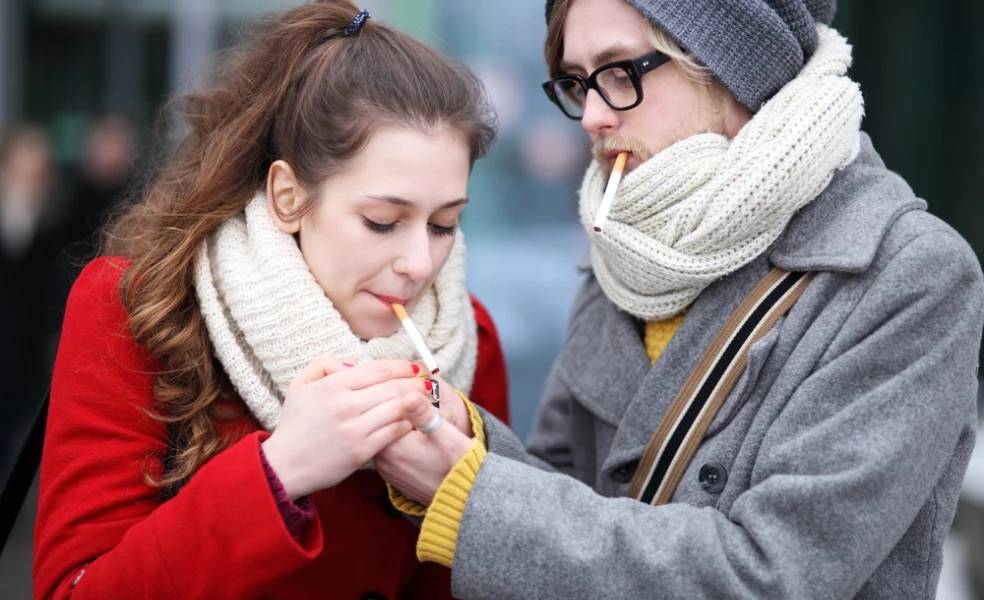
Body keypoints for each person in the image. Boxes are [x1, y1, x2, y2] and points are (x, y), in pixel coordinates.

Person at [374, 0, 984, 598]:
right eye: (576, 83)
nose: (591, 116)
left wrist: (476, 494)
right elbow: (567, 490)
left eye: (618, 74)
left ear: (733, 67)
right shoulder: (635, 246)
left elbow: (777, 575)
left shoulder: (909, 274)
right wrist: (465, 441)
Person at [32, 2, 508, 599]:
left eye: (444, 224)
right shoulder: (137, 307)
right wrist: (281, 470)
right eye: (383, 221)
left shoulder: (467, 338)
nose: (420, 263)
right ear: (287, 197)